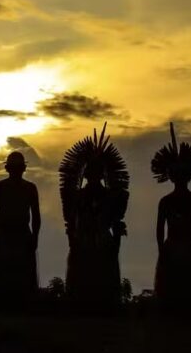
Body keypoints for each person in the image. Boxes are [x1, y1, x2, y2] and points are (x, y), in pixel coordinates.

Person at [60, 124, 129, 312]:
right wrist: (73, 240)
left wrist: (115, 243)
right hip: (83, 242)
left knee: (102, 282)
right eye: (91, 172)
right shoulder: (79, 196)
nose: (93, 176)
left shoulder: (110, 197)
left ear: (102, 174)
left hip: (102, 243)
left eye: (97, 172)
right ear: (85, 174)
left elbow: (115, 221)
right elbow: (72, 221)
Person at [152, 123, 191, 315]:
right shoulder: (170, 202)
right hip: (182, 248)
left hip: (185, 248)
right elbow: (160, 230)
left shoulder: (185, 201)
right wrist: (162, 251)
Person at [0, 151, 41, 308]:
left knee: (21, 275)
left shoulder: (30, 189)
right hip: (3, 235)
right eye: (13, 168)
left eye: (18, 168)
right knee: (3, 274)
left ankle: (20, 305)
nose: (16, 171)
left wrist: (35, 237)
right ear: (8, 169)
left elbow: (36, 217)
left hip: (22, 235)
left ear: (23, 169)